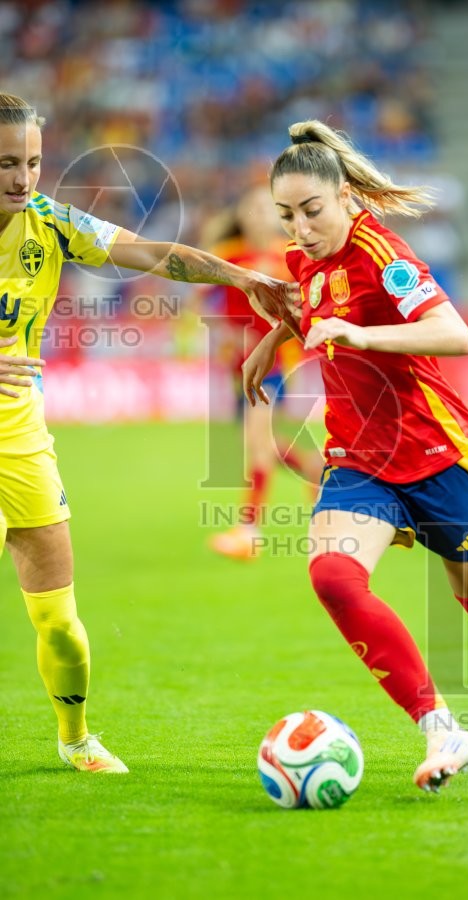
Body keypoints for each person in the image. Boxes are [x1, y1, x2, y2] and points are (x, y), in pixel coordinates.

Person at [242, 119, 468, 792]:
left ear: (345, 197)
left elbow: (452, 333)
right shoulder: (302, 258)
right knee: (334, 577)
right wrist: (268, 340)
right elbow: (312, 308)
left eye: (312, 211)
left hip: (438, 455)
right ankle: (440, 728)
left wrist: (362, 336)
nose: (300, 228)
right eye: (287, 215)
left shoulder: (384, 253)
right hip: (359, 458)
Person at [0, 93, 295, 774]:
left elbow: (153, 255)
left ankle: (75, 738)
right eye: (7, 163)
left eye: (33, 162)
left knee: (60, 624)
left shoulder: (50, 223)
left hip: (22, 446)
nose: (23, 177)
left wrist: (240, 274)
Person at [202, 185, 322, 560]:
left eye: (264, 208)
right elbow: (201, 298)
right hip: (237, 364)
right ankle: (318, 472)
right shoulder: (228, 254)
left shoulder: (287, 257)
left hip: (274, 363)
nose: (258, 214)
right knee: (263, 444)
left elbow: (302, 307)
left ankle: (249, 530)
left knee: (257, 442)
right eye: (250, 208)